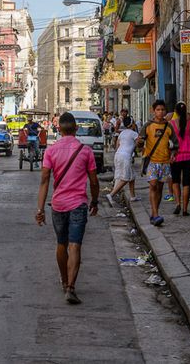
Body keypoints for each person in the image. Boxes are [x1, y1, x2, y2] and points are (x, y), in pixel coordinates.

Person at [36, 112, 100, 305]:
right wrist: (95, 201)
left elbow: (45, 181)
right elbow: (94, 181)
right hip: (78, 204)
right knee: (75, 245)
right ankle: (71, 287)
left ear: (59, 129)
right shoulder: (85, 151)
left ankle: (64, 281)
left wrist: (40, 209)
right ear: (76, 129)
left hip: (58, 204)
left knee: (61, 243)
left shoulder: (51, 151)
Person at [139, 100, 179, 226]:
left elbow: (175, 144)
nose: (160, 112)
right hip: (152, 161)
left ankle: (154, 213)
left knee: (160, 188)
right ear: (153, 111)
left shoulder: (168, 127)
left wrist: (173, 154)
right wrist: (139, 143)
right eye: (158, 110)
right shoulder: (148, 125)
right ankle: (155, 214)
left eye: (163, 110)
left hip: (165, 162)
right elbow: (140, 141)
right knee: (153, 185)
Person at [169, 102, 190, 216]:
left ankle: (178, 204)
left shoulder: (171, 124)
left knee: (175, 181)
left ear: (175, 112)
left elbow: (169, 142)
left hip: (176, 155)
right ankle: (185, 209)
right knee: (187, 182)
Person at [107, 117, 140, 205]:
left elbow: (117, 145)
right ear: (131, 124)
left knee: (132, 177)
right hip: (126, 156)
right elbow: (139, 145)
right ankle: (111, 194)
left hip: (118, 155)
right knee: (125, 178)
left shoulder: (122, 133)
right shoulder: (134, 134)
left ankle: (133, 196)